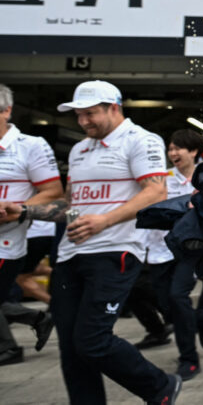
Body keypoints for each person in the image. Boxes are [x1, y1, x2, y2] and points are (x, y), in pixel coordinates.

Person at [1, 80, 182, 403]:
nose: (83, 121)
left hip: (116, 252)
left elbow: (156, 191)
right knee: (71, 349)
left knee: (92, 340)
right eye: (79, 115)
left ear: (114, 108)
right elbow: (71, 208)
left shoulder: (141, 140)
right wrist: (24, 211)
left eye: (90, 114)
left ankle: (160, 387)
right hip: (71, 256)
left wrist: (104, 221)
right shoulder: (80, 149)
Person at [0, 84, 61, 365]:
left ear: (7, 110)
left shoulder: (31, 146)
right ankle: (34, 318)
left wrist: (18, 209)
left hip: (8, 243)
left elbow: (53, 192)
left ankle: (10, 347)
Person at [154, 129, 203, 381]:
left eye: (178, 148)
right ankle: (199, 323)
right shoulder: (163, 178)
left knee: (178, 295)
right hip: (162, 249)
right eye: (170, 149)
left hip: (194, 248)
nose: (173, 153)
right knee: (168, 303)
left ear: (194, 151)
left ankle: (189, 359)